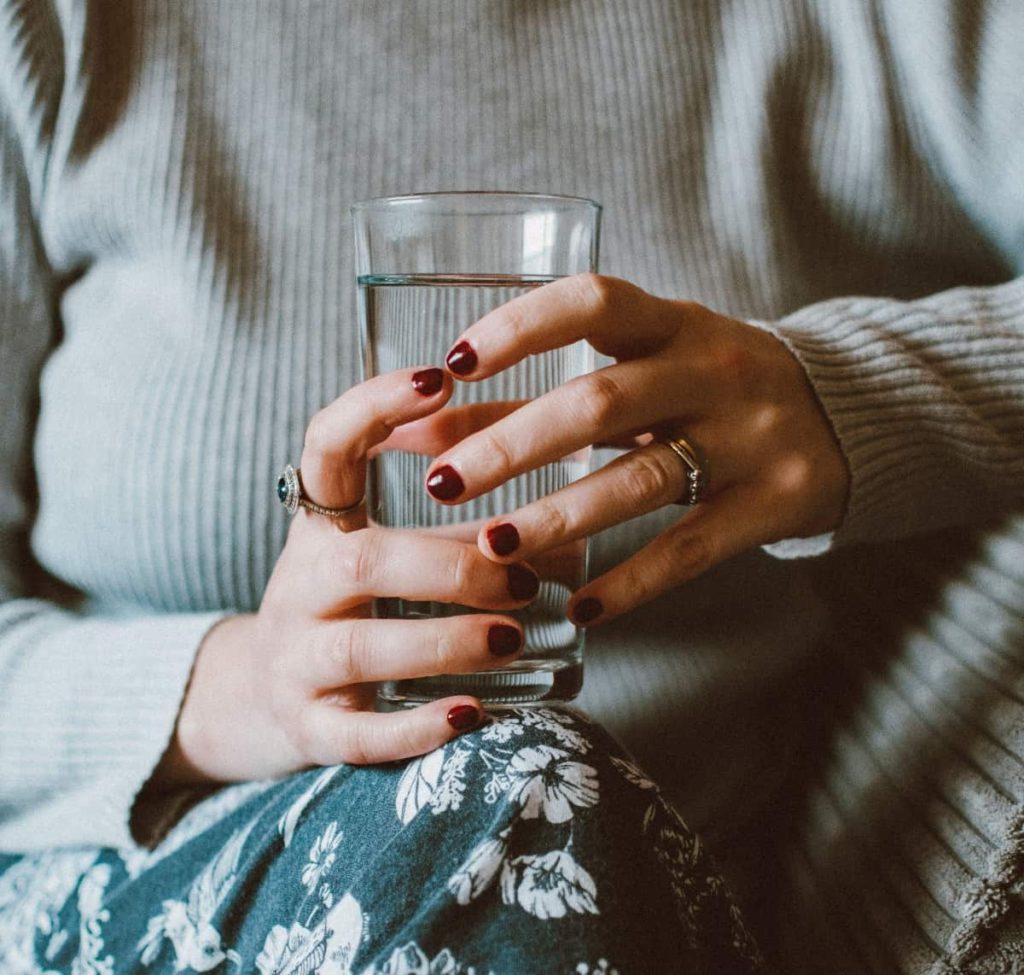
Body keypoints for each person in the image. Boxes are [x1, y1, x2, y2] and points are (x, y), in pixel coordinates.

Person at [1, 1, 1022, 972]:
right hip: (157, 878)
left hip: (674, 893)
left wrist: (852, 395)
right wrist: (245, 688)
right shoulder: (57, 30)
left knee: (524, 787)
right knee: (509, 781)